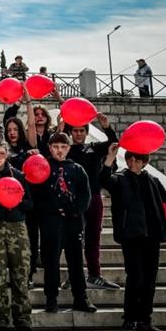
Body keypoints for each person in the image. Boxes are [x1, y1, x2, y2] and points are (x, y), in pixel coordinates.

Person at [100, 144, 166, 331]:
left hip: (152, 236)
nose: (132, 163)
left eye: (137, 160)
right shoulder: (120, 179)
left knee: (149, 280)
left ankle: (145, 320)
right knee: (135, 278)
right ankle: (130, 319)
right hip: (131, 236)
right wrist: (109, 158)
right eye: (130, 159)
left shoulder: (153, 180)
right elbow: (104, 179)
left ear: (144, 162)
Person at [32, 133, 97, 314]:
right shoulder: (43, 167)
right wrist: (53, 209)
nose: (59, 151)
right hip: (51, 222)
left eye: (63, 147)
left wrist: (74, 210)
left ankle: (80, 297)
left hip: (73, 221)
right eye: (55, 147)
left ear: (68, 148)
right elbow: (37, 194)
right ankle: (51, 298)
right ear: (50, 148)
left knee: (76, 260)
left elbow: (86, 195)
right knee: (51, 260)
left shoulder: (77, 169)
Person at [0, 140, 34, 331]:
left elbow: (30, 204)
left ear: (7, 154)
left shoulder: (18, 176)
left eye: (1, 153)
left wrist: (15, 200)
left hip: (17, 227)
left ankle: (23, 319)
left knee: (20, 274)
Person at [63, 112, 120, 290]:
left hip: (94, 197)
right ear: (71, 133)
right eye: (75, 131)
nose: (78, 134)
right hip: (73, 200)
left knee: (93, 238)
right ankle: (74, 275)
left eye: (81, 131)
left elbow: (113, 143)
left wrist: (106, 127)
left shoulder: (94, 147)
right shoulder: (66, 150)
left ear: (86, 132)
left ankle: (94, 275)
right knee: (74, 239)